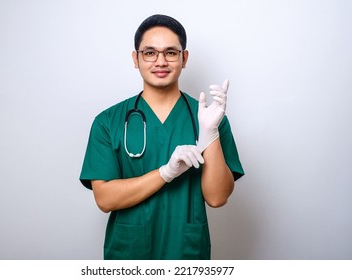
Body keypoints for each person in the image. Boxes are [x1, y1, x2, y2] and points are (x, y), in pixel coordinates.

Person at [80, 14, 244, 260]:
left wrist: (210, 134)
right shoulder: (108, 122)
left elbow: (217, 198)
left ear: (184, 58)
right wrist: (166, 173)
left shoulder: (209, 119)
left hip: (186, 255)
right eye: (149, 53)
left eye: (170, 52)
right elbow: (104, 199)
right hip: (129, 254)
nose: (160, 61)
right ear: (136, 59)